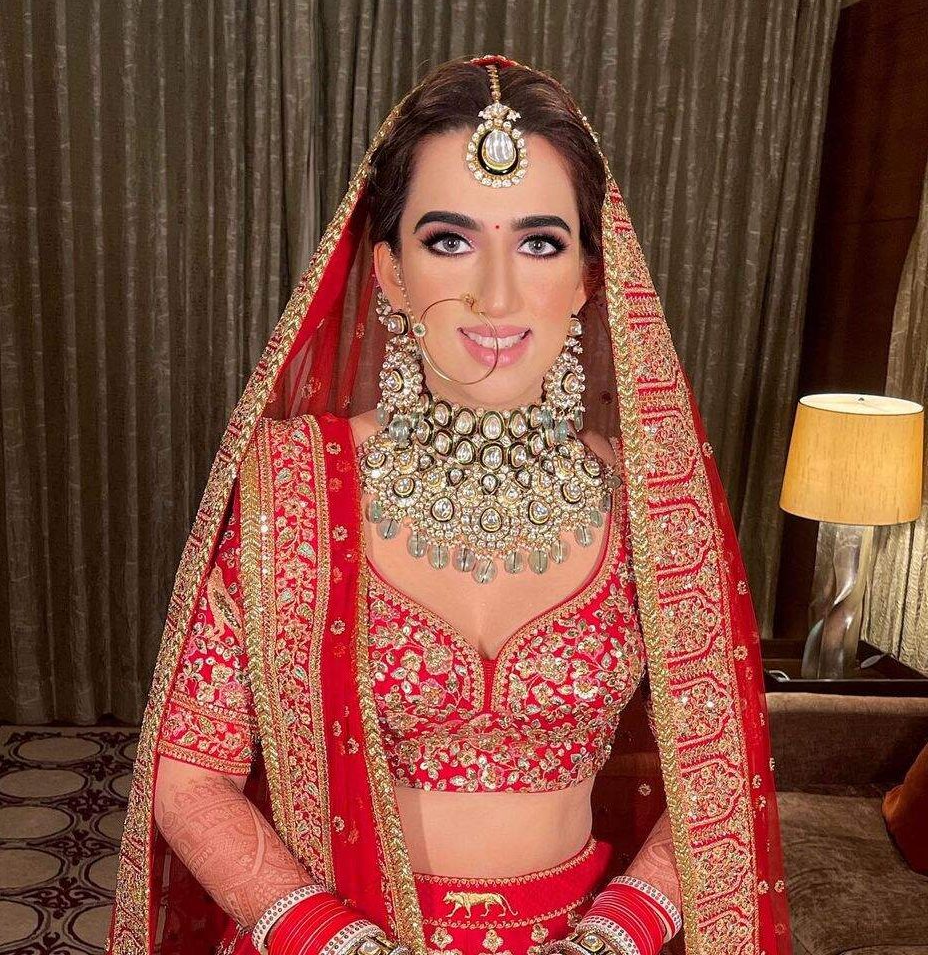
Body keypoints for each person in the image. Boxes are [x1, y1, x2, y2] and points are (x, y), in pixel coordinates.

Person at [107, 55, 792, 955]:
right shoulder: (293, 489)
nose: (495, 294)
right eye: (449, 241)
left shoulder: (652, 504)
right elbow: (190, 776)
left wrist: (611, 940)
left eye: (540, 243)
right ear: (390, 272)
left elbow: (721, 771)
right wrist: (338, 945)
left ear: (590, 276)